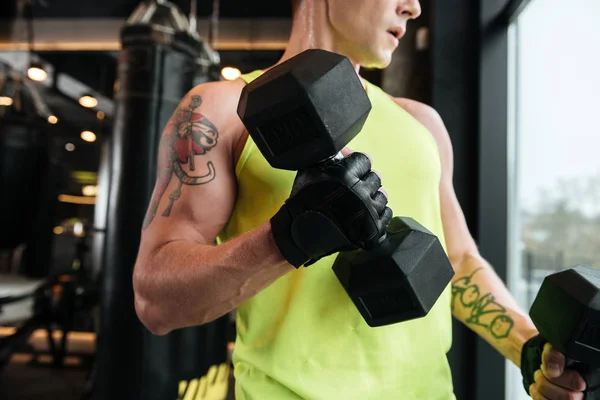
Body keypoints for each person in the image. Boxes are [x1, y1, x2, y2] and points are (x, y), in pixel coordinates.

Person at [132, 1, 593, 399]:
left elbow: (459, 261)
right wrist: (287, 238)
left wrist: (529, 348)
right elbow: (156, 300)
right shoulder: (219, 111)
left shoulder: (422, 125)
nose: (414, 7)